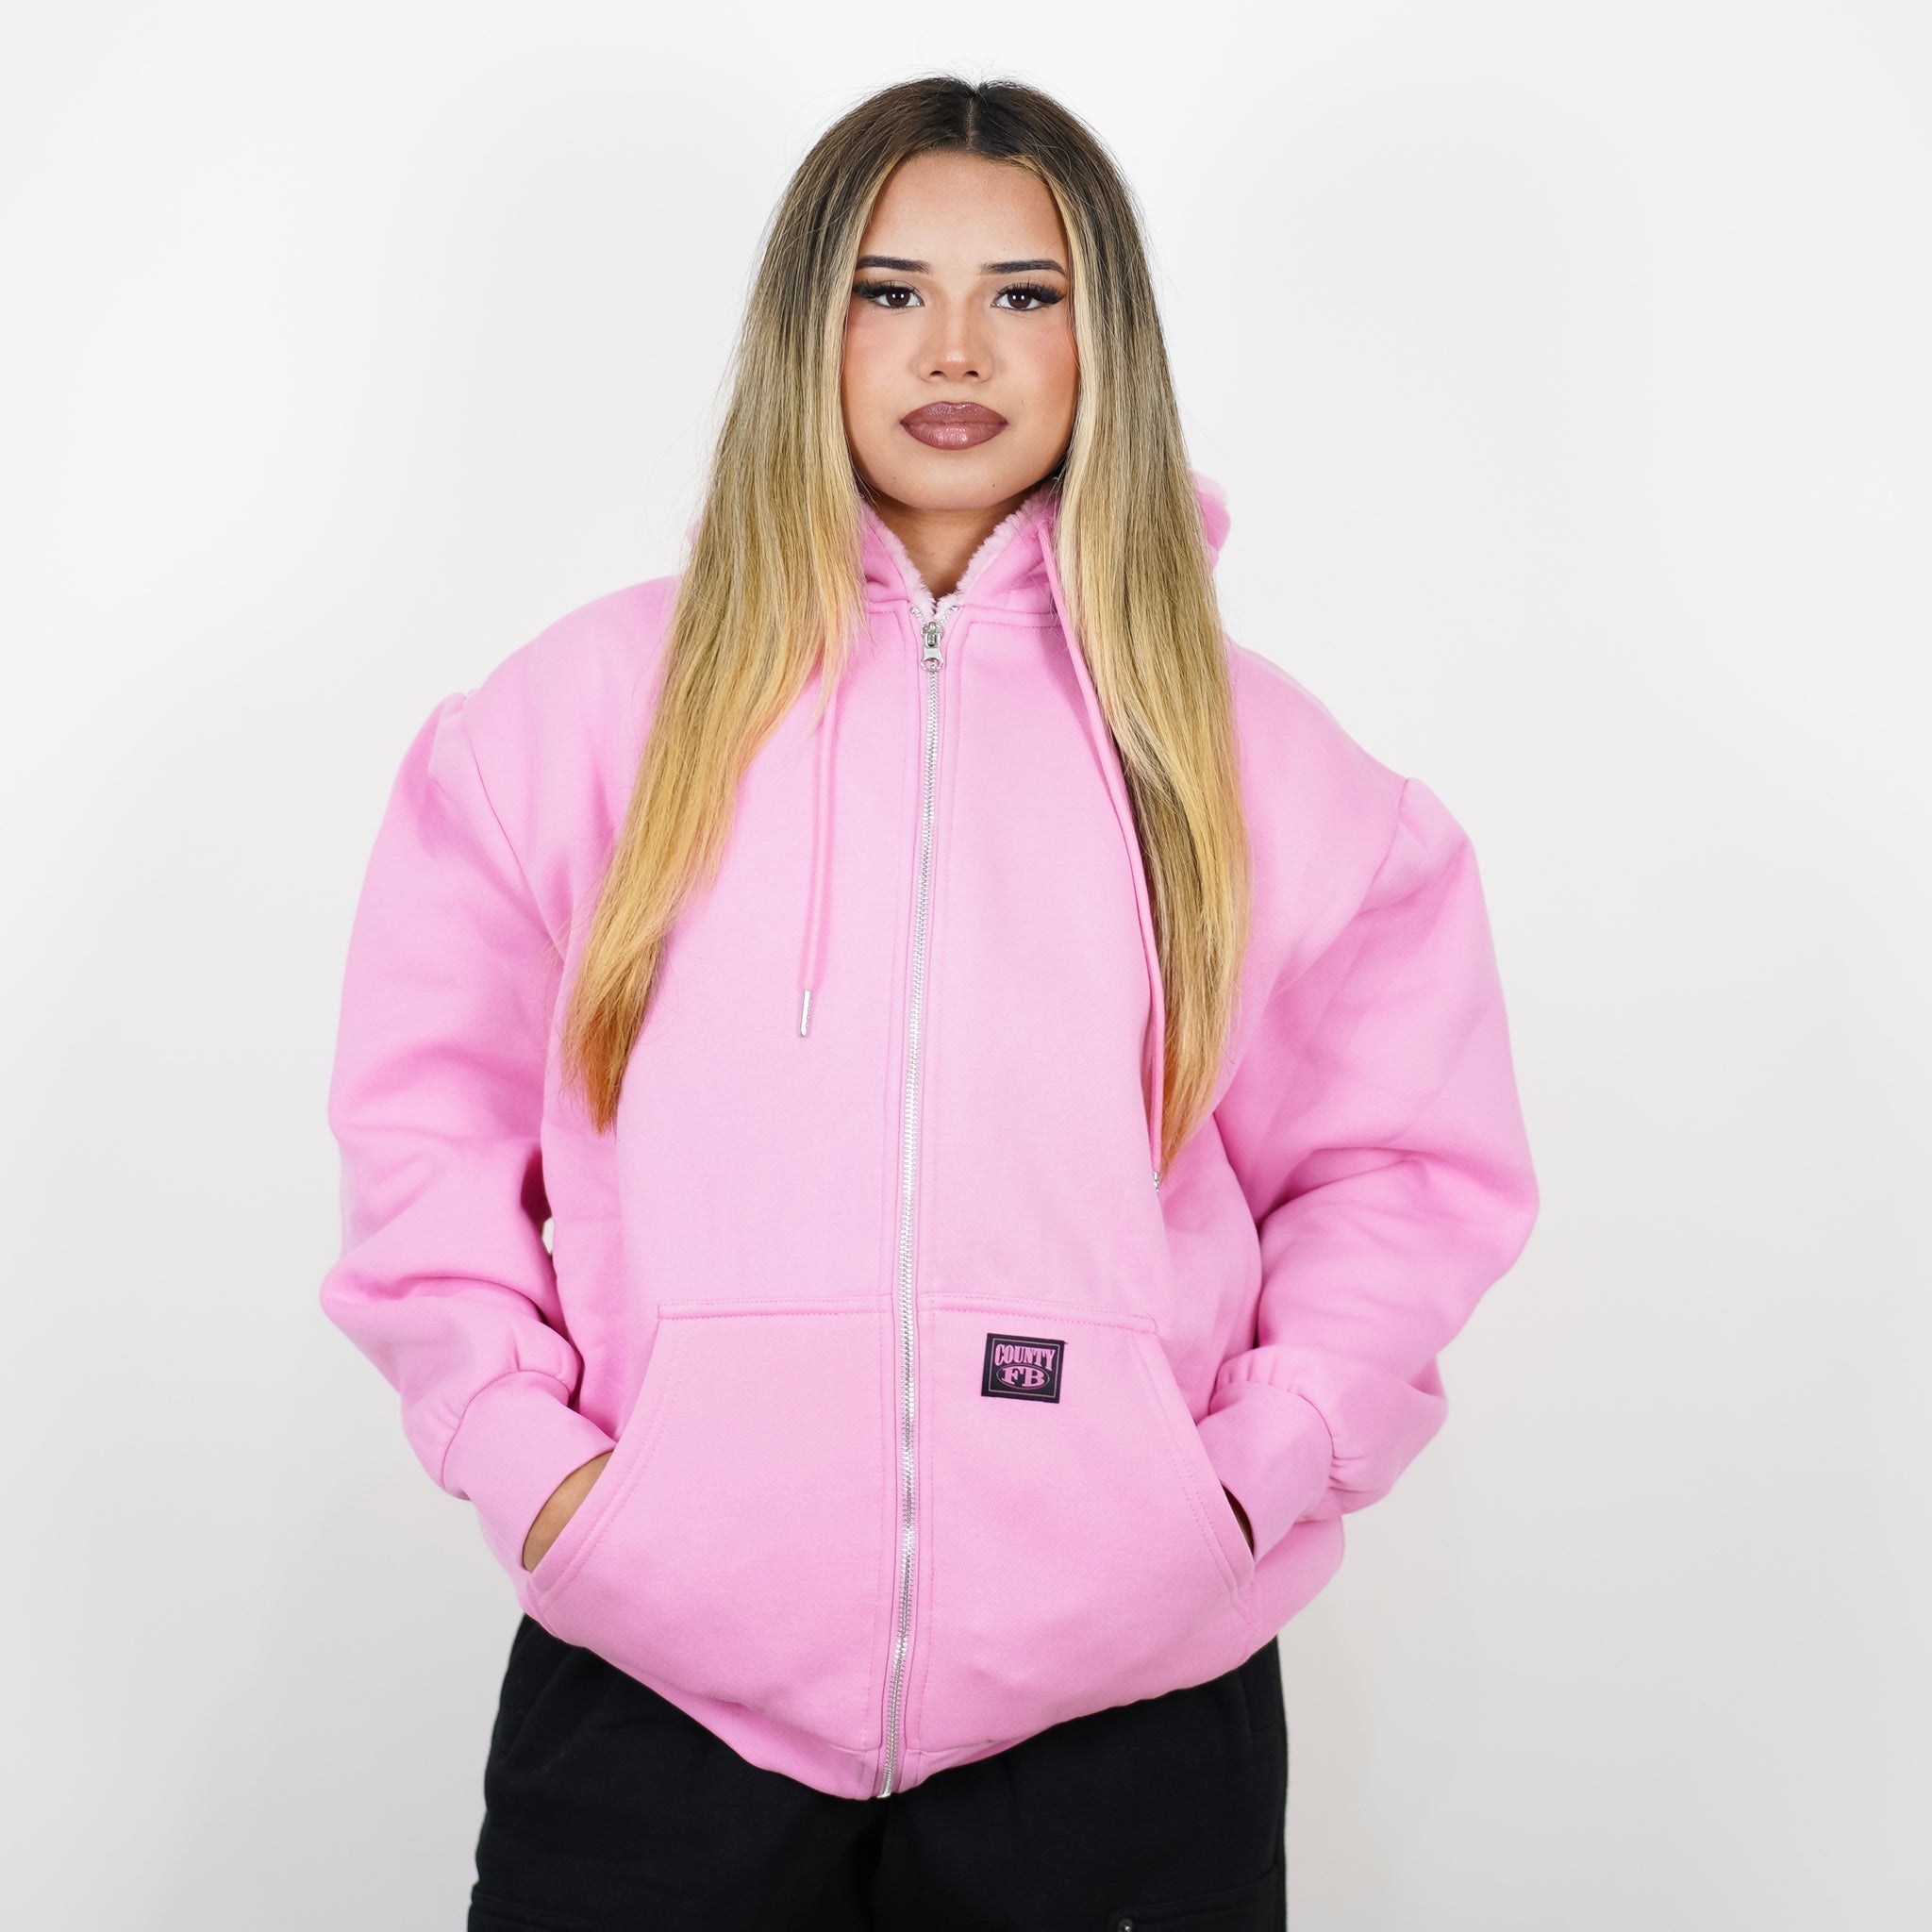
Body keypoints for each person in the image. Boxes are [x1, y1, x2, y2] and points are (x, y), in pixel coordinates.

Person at [320, 73, 1540, 1931]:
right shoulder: (577, 722)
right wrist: (539, 1471)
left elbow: (1404, 1173)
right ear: (805, 329)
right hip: (654, 1690)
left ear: (1101, 340)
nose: (952, 348)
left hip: (1125, 1713)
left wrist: (1237, 1486)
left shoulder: (1250, 759)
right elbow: (428, 1130)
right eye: (888, 290)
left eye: (1022, 294)